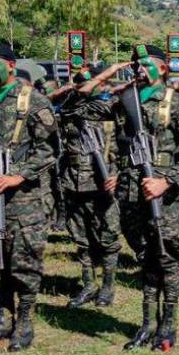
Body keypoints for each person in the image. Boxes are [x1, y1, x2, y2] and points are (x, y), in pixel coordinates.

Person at [85, 45, 179, 350]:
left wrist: (166, 182)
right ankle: (147, 324)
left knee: (166, 260)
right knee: (145, 262)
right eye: (134, 64)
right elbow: (79, 107)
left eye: (145, 64)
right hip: (132, 196)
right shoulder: (126, 100)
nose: (137, 68)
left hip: (166, 200)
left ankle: (168, 326)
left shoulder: (175, 103)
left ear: (162, 69)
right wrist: (107, 77)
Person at [0, 43, 60, 351]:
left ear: (10, 65)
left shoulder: (32, 101)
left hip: (24, 199)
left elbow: (49, 148)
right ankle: (2, 319)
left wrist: (19, 174)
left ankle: (24, 323)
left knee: (23, 261)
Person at [58, 64, 121, 308]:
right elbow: (72, 102)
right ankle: (88, 284)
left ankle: (107, 286)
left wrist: (119, 175)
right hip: (73, 182)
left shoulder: (116, 108)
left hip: (103, 181)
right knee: (81, 238)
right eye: (81, 83)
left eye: (90, 82)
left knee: (108, 236)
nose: (84, 87)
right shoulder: (71, 108)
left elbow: (129, 144)